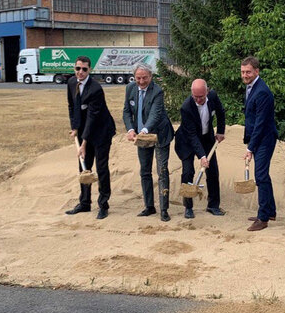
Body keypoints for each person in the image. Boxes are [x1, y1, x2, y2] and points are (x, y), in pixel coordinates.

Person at [66, 55, 117, 219]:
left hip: (101, 131)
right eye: (77, 68)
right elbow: (72, 107)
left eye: (84, 69)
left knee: (101, 168)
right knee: (84, 167)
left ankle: (103, 204)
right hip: (83, 130)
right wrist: (74, 128)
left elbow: (92, 117)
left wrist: (84, 143)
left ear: (90, 70)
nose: (80, 72)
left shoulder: (95, 89)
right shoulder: (71, 83)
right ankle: (85, 203)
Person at [123, 63, 175, 222]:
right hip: (141, 137)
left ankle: (164, 209)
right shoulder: (130, 88)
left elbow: (155, 114)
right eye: (138, 78)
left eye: (144, 78)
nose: (141, 81)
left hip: (159, 135)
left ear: (150, 77)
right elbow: (126, 111)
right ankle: (149, 206)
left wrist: (145, 131)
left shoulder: (157, 91)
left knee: (162, 171)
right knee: (144, 171)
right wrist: (131, 129)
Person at [174, 78, 226, 219]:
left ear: (207, 92)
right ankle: (188, 207)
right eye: (195, 97)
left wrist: (220, 131)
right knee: (188, 172)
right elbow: (191, 135)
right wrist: (202, 157)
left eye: (201, 97)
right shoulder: (186, 107)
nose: (198, 100)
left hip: (206, 138)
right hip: (186, 141)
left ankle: (213, 205)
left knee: (213, 171)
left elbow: (221, 113)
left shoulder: (213, 97)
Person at [241, 56, 277, 231]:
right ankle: (270, 211)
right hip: (259, 138)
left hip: (265, 138)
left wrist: (250, 147)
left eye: (248, 72)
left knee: (261, 176)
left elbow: (261, 123)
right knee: (263, 175)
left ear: (257, 71)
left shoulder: (261, 91)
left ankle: (263, 218)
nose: (245, 75)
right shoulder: (251, 87)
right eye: (243, 72)